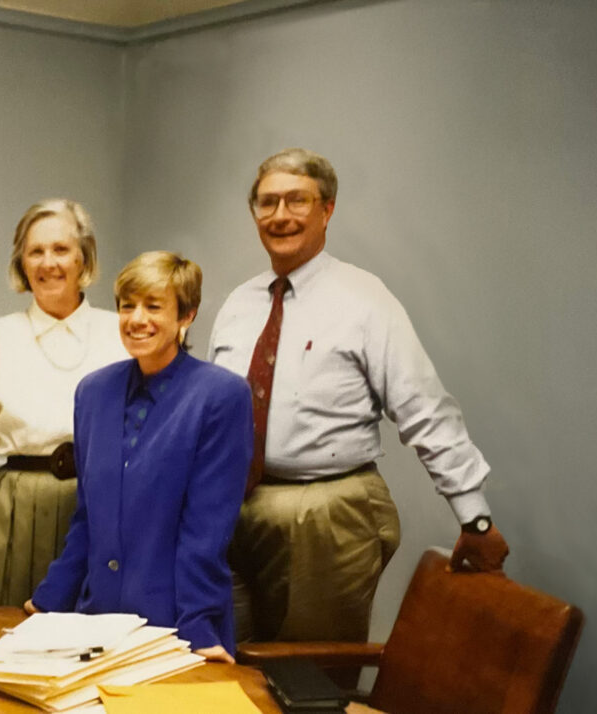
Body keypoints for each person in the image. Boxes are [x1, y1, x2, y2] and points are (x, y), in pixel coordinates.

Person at [209, 147, 510, 645]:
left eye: (297, 200)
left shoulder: (364, 299)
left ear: (327, 209)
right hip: (234, 511)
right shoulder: (239, 304)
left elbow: (422, 407)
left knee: (311, 673)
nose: (280, 215)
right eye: (268, 202)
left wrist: (473, 516)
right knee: (232, 664)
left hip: (327, 513)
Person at [27, 251, 253, 662]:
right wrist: (51, 598)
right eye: (127, 305)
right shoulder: (93, 393)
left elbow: (206, 531)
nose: (136, 319)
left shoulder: (221, 396)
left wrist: (198, 626)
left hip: (176, 628)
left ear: (186, 315)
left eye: (153, 306)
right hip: (96, 622)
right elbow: (87, 518)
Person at [0, 198, 127, 609]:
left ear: (83, 258)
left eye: (61, 249)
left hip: (102, 508)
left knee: (98, 634)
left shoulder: (120, 334)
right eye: (35, 251)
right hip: (16, 511)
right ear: (21, 263)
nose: (48, 263)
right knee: (10, 627)